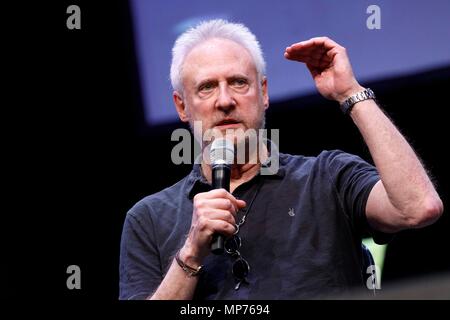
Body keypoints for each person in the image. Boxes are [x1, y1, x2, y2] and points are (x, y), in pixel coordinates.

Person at [119, 19, 443, 300]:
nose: (225, 100)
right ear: (182, 106)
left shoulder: (327, 177)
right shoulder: (147, 219)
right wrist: (190, 255)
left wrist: (350, 92)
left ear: (264, 93)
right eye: (206, 88)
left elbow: (417, 207)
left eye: (238, 82)